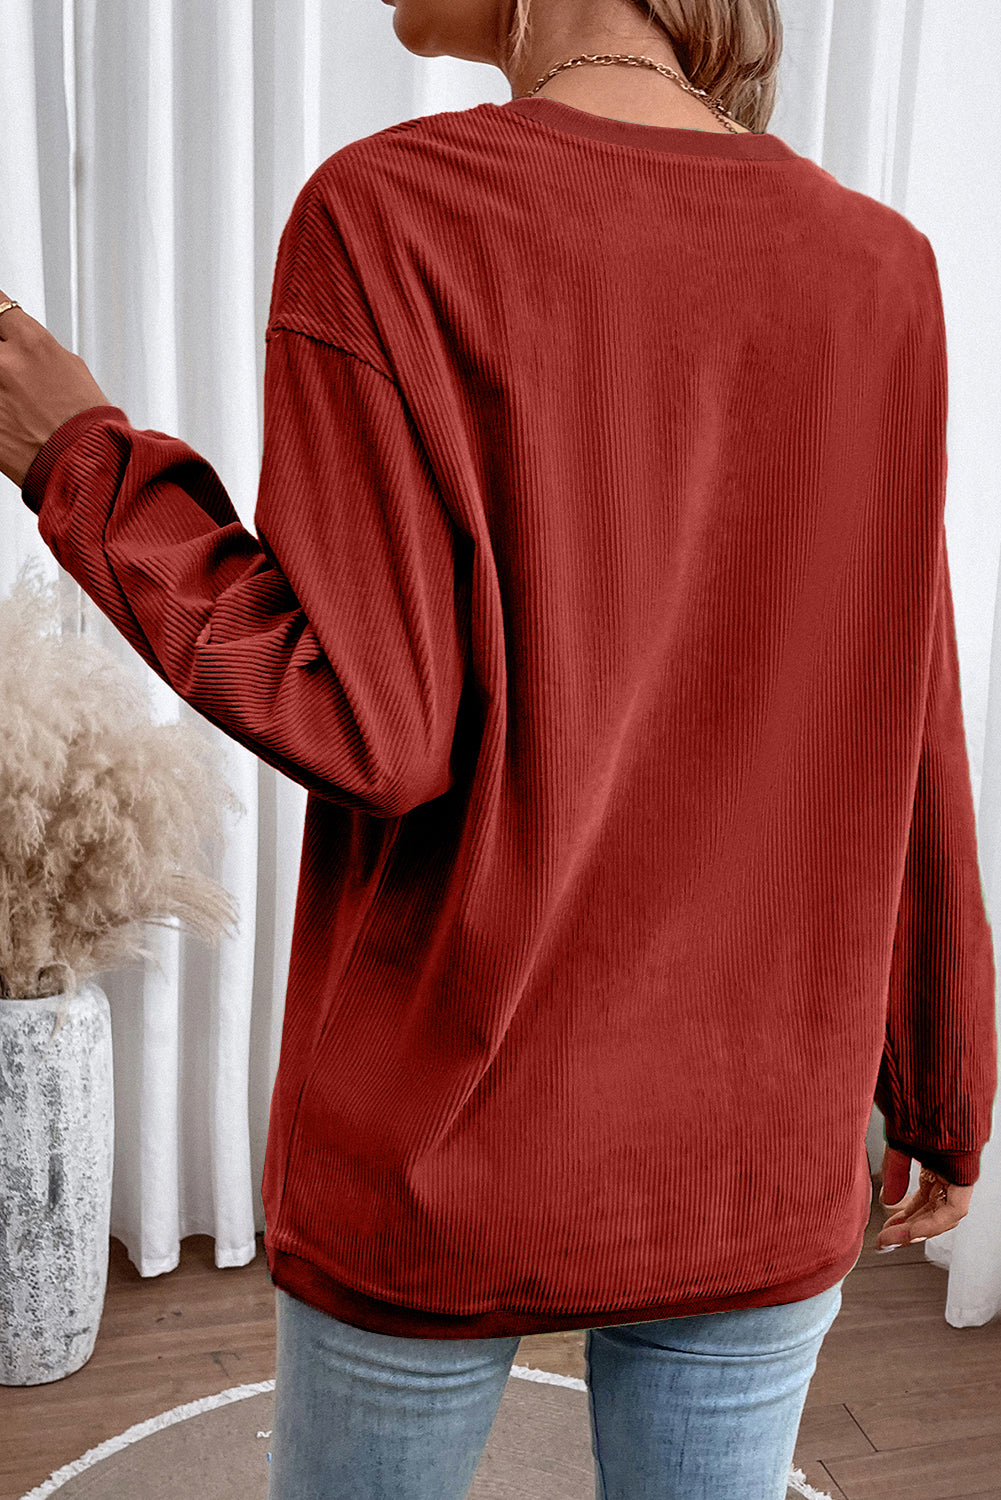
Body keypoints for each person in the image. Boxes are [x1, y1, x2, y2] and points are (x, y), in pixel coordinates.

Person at [4, 0, 995, 1496]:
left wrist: (80, 460)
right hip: (758, 1134)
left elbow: (372, 725)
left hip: (441, 1145)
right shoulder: (880, 268)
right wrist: (940, 1074)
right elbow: (906, 704)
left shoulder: (389, 216)